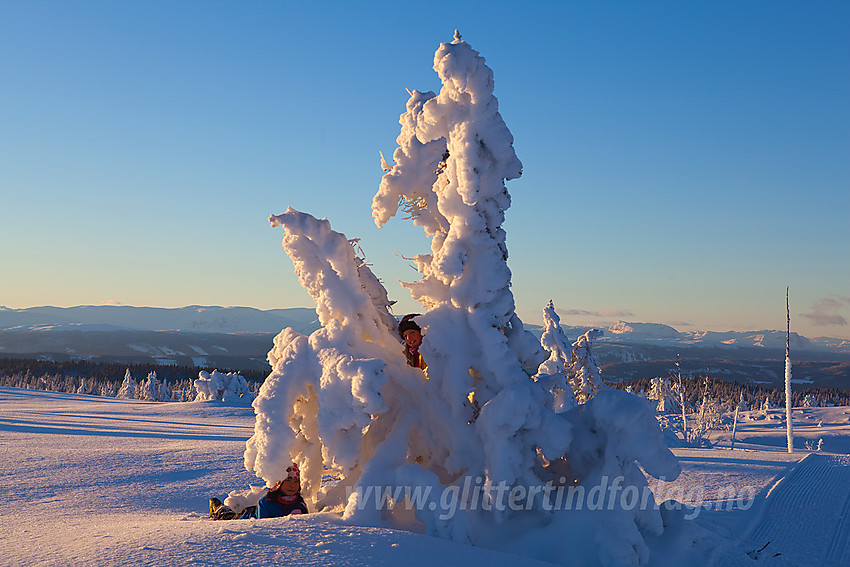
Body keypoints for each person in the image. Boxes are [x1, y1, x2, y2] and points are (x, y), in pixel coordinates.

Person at [209, 463, 308, 520]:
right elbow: (261, 526)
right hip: (246, 518)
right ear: (278, 483)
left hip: (253, 510)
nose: (292, 485)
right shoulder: (266, 502)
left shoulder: (299, 503)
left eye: (296, 481)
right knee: (225, 515)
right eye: (288, 481)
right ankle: (216, 506)